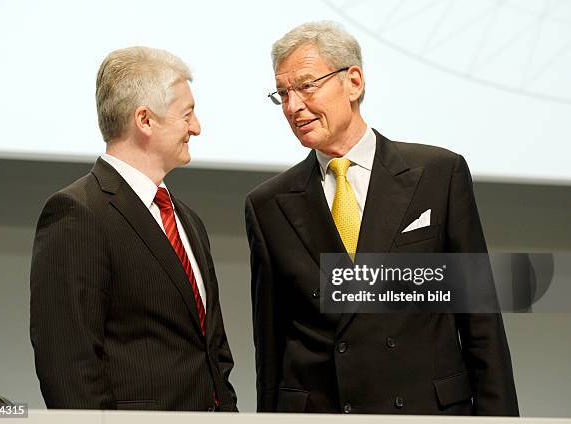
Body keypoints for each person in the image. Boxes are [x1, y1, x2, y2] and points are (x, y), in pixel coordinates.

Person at [245, 21, 519, 415]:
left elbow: (480, 320)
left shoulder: (438, 174)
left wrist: (500, 421)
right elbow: (270, 344)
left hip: (424, 410)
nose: (293, 106)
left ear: (353, 82)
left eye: (306, 86)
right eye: (283, 94)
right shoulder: (268, 203)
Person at [30, 46, 236, 411]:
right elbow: (67, 365)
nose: (197, 127)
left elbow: (212, 351)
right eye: (187, 114)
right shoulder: (79, 213)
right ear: (145, 120)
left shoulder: (188, 220)